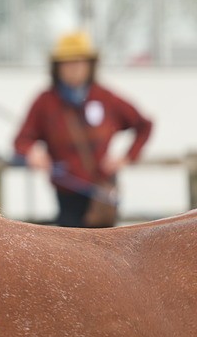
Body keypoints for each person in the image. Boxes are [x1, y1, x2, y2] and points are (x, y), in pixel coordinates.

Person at [14, 31, 153, 228]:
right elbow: (21, 141)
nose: (75, 69)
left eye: (80, 62)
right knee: (69, 253)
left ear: (90, 65)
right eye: (68, 63)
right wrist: (32, 153)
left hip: (101, 194)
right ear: (57, 67)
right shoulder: (46, 102)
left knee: (105, 252)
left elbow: (144, 125)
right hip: (67, 195)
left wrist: (127, 157)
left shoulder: (105, 98)